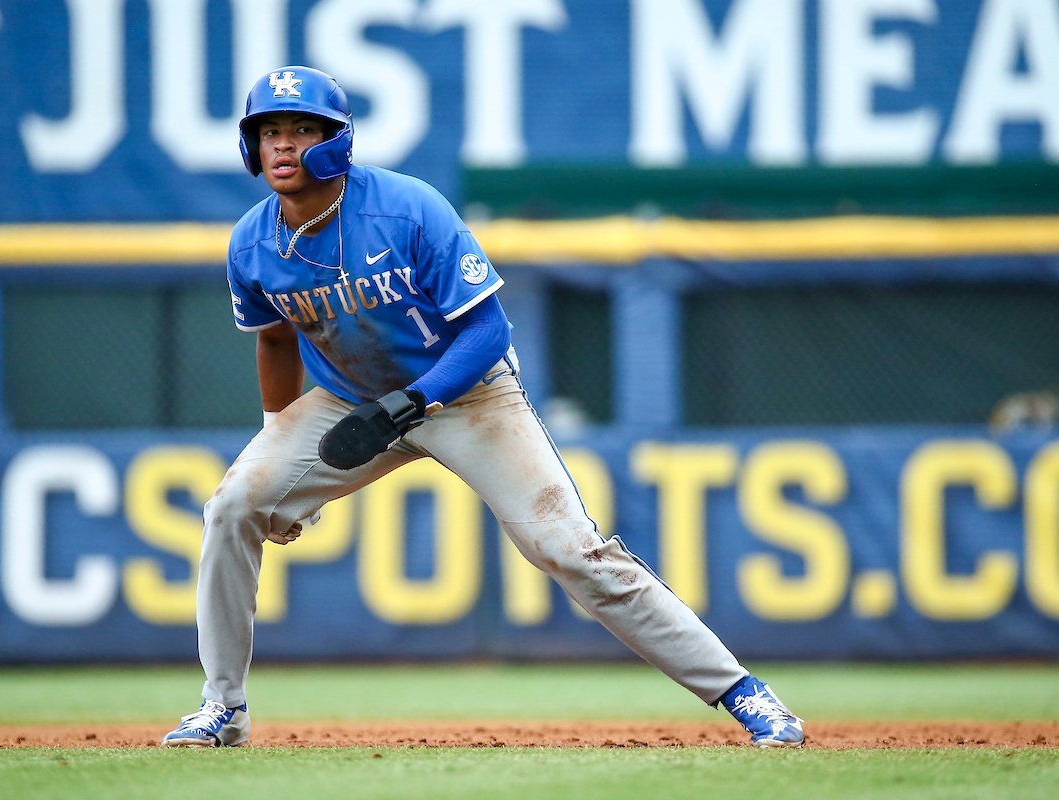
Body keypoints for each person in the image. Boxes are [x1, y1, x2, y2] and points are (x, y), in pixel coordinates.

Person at [160, 66, 804, 749]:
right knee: (232, 506)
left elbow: (488, 330)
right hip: (348, 400)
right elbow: (275, 339)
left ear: (336, 141)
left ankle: (745, 695)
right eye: (268, 132)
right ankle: (222, 707)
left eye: (300, 130)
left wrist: (416, 401)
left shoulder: (406, 208)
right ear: (249, 148)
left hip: (468, 393)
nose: (282, 146)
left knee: (570, 549)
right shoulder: (252, 244)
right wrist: (280, 447)